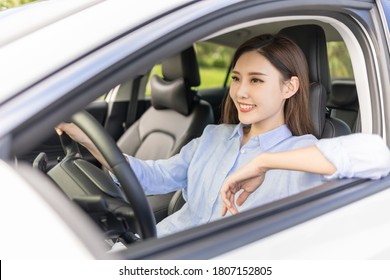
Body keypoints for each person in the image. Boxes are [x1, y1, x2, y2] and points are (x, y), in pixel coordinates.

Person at [56, 34, 390, 237]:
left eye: (256, 80)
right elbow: (149, 177)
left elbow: (377, 155)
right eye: (236, 79)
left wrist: (264, 162)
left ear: (290, 87)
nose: (240, 92)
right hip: (156, 248)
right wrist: (85, 138)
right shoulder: (214, 136)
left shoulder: (303, 154)